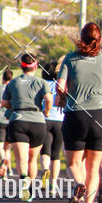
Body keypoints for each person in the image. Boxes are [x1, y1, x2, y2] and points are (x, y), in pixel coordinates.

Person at [57, 22, 102, 203]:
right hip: (101, 115)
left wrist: (62, 98)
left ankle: (79, 184)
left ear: (81, 38)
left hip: (76, 114)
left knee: (73, 162)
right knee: (94, 165)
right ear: (100, 40)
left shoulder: (70, 59)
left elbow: (61, 86)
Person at [2, 54, 52, 200]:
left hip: (18, 120)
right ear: (35, 66)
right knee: (33, 159)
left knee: (21, 158)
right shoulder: (41, 82)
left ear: (21, 66)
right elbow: (49, 99)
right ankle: (30, 189)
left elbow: (4, 103)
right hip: (37, 120)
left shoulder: (13, 83)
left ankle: (24, 183)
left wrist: (16, 106)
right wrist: (46, 111)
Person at [40, 60, 65, 190]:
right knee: (56, 154)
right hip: (60, 121)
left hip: (45, 119)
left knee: (45, 151)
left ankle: (45, 169)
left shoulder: (42, 84)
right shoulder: (61, 85)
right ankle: (54, 183)